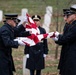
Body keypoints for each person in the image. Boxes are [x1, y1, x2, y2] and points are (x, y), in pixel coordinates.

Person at [52, 5, 76, 75]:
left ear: (75, 15)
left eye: (68, 16)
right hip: (67, 53)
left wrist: (58, 37)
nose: (65, 18)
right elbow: (65, 38)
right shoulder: (68, 25)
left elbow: (68, 38)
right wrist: (57, 38)